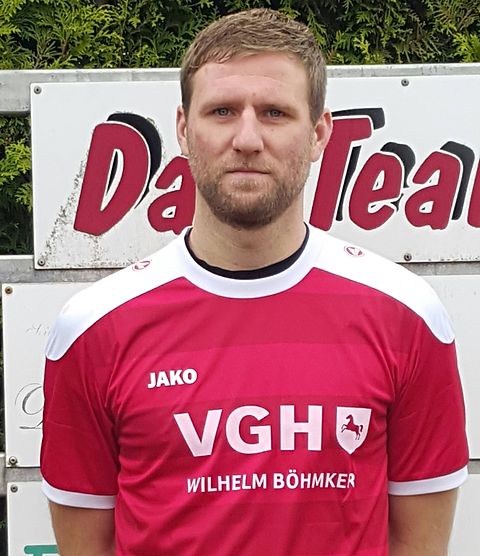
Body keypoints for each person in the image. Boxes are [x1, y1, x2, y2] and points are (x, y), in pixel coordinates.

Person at [40, 8, 468, 556]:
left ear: (319, 133)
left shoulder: (408, 316)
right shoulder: (92, 329)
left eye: (274, 113)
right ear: (183, 129)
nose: (247, 138)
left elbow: (419, 544)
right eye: (222, 111)